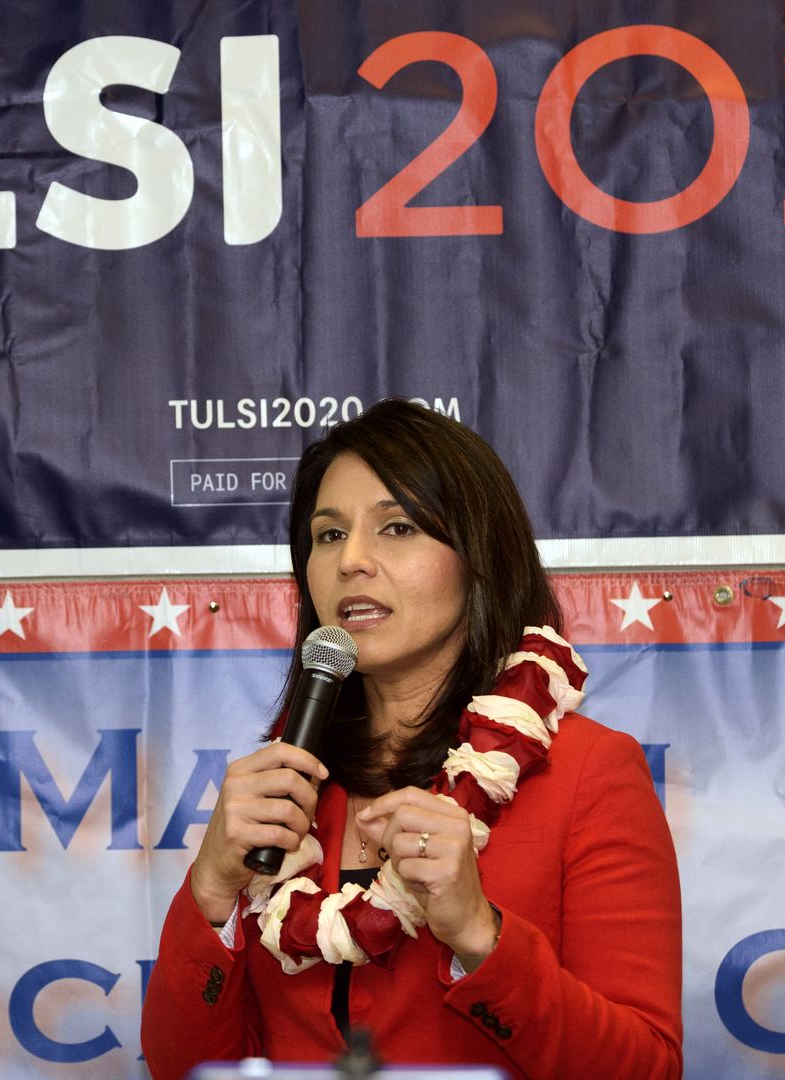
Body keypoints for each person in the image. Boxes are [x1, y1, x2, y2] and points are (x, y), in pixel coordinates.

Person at [141, 400, 682, 1080]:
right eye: (329, 535)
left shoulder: (588, 772)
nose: (351, 561)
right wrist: (213, 888)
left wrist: (479, 935)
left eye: (397, 527)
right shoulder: (287, 789)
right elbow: (181, 1069)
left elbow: (646, 1070)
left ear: (479, 557)